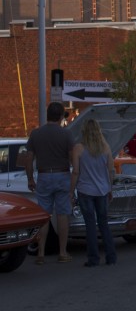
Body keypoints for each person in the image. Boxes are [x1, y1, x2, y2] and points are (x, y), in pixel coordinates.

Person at [26, 102, 73, 264]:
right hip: (62, 175)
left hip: (44, 176)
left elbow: (29, 158)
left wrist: (30, 178)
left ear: (47, 115)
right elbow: (73, 158)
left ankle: (40, 253)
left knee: (44, 215)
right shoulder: (66, 134)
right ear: (61, 117)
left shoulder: (36, 134)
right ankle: (62, 252)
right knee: (62, 214)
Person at [68, 118, 117, 267]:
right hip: (102, 190)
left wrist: (71, 191)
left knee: (90, 225)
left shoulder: (79, 148)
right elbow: (110, 171)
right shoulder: (106, 147)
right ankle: (111, 257)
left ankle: (93, 258)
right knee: (104, 224)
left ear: (84, 131)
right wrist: (110, 189)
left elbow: (75, 172)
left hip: (85, 190)